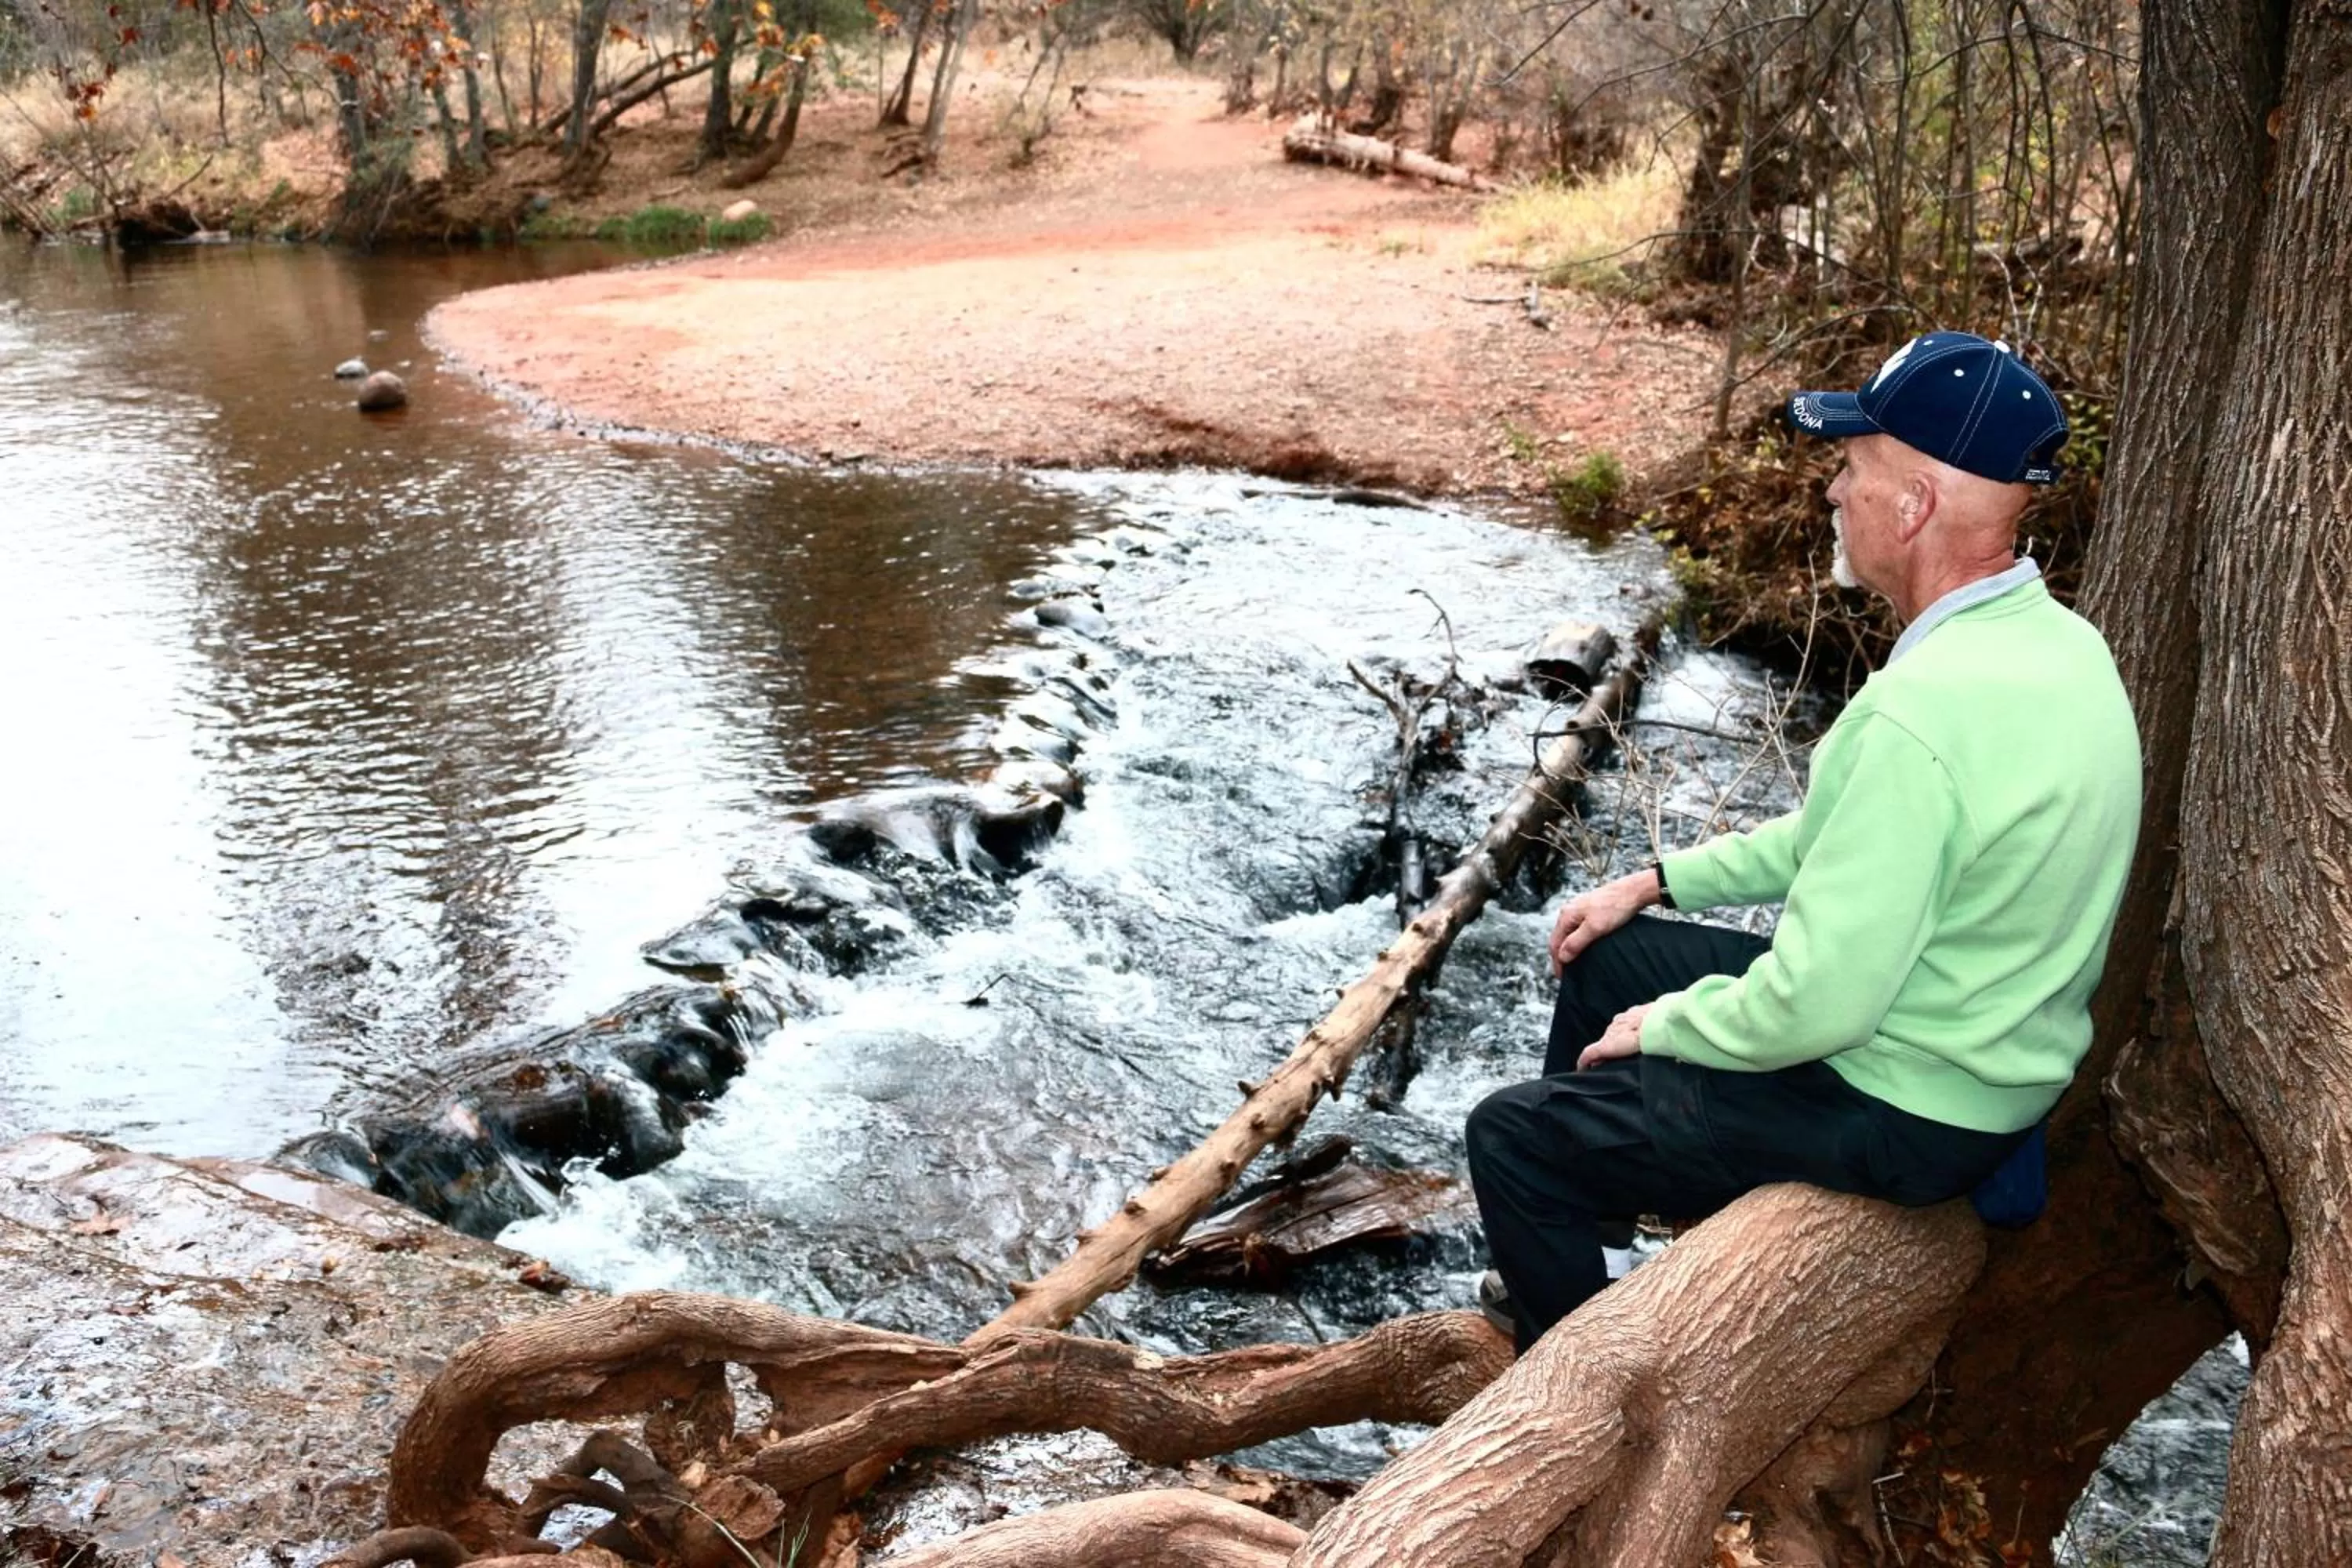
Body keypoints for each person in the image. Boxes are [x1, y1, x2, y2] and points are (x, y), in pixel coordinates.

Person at [1466, 331, 2141, 1354]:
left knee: (1512, 1138)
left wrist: (1672, 1025)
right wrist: (1655, 881)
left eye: (1851, 468)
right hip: (1981, 1055)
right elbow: (1850, 834)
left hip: (1907, 1106)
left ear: (1912, 506)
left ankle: (1567, 1374)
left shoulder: (1919, 716)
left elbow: (1821, 1003)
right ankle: (1601, 1216)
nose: (1832, 491)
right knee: (1610, 950)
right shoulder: (2060, 647)